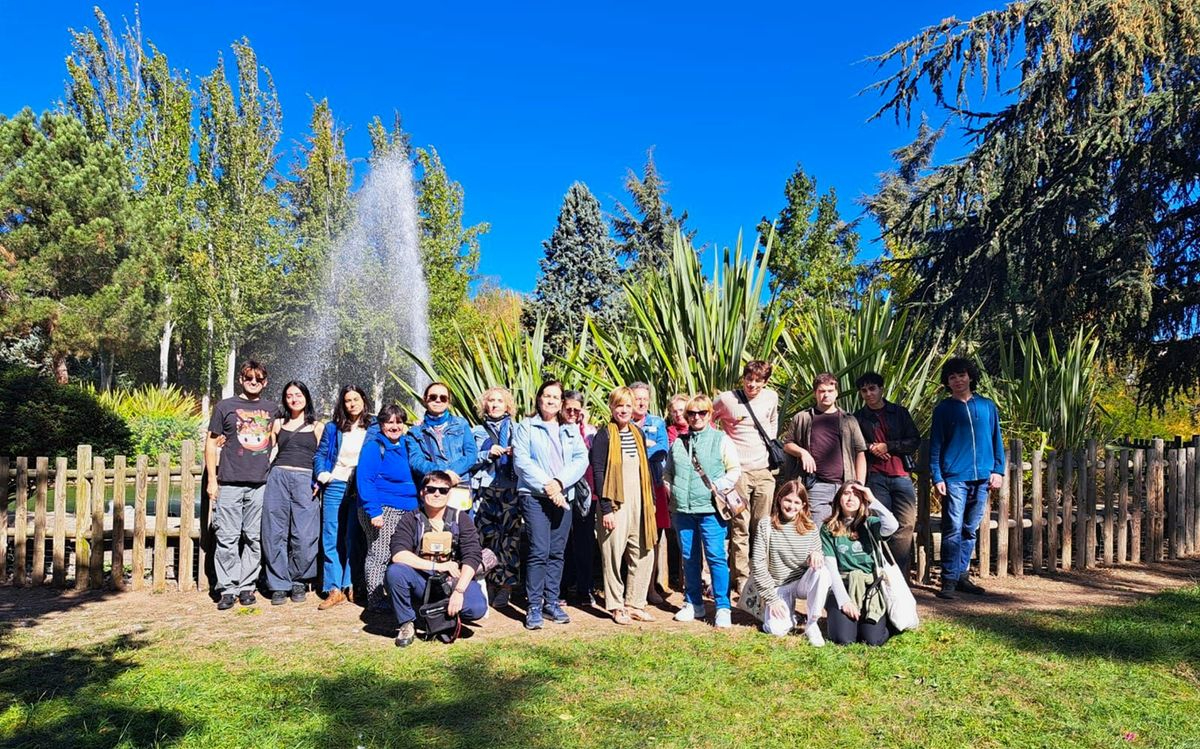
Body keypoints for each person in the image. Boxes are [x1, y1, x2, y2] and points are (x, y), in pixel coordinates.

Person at [512, 379, 589, 630]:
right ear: (539, 398)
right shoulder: (526, 427)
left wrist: (559, 482)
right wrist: (548, 485)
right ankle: (533, 605)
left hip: (563, 496)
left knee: (557, 551)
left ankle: (551, 601)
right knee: (538, 550)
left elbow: (581, 459)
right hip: (534, 497)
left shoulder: (569, 428)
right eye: (547, 395)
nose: (551, 400)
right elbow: (522, 461)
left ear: (561, 402)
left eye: (556, 397)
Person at [929, 357, 1005, 600]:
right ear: (947, 383)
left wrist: (998, 470)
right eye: (952, 377)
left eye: (961, 375)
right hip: (955, 478)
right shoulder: (943, 410)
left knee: (970, 528)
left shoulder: (987, 406)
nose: (958, 380)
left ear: (970, 377)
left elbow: (996, 440)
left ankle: (962, 575)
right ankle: (948, 579)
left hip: (982, 477)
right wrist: (937, 475)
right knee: (953, 528)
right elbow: (936, 444)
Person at [384, 471, 488, 647]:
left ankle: (437, 615)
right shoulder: (411, 519)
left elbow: (473, 555)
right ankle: (407, 622)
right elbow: (399, 554)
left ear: (449, 494)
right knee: (395, 572)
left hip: (451, 581)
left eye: (443, 490)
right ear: (422, 492)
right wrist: (437, 565)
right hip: (421, 580)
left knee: (477, 608)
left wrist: (459, 591)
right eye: (431, 489)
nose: (437, 494)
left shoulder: (461, 518)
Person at [206, 360, 278, 610]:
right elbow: (211, 443)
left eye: (258, 379)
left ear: (265, 382)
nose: (254, 382)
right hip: (230, 482)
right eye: (249, 378)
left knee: (254, 538)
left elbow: (279, 438)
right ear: (241, 379)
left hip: (260, 484)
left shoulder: (271, 409)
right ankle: (227, 588)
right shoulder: (225, 407)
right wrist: (212, 481)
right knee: (227, 537)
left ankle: (247, 586)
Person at [665, 394, 741, 628]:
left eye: (702, 413)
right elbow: (668, 472)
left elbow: (734, 469)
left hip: (710, 509)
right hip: (683, 510)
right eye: (691, 413)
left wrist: (717, 487)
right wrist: (671, 489)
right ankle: (693, 603)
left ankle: (722, 606)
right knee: (689, 557)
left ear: (710, 415)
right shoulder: (678, 442)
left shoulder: (721, 439)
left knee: (716, 557)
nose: (696, 417)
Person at [590, 387, 658, 625]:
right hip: (616, 504)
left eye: (628, 406)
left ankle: (635, 602)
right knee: (612, 555)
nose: (624, 410)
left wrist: (651, 504)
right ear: (611, 407)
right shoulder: (604, 435)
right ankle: (617, 605)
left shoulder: (637, 433)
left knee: (643, 552)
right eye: (620, 405)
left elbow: (645, 469)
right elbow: (599, 472)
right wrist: (606, 508)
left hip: (640, 502)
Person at [713, 360, 781, 594]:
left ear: (765, 382)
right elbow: (708, 418)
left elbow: (772, 420)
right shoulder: (727, 399)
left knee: (762, 526)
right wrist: (721, 448)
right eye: (748, 379)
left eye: (757, 381)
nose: (752, 385)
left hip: (763, 470)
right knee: (740, 525)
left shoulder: (771, 397)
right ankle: (741, 577)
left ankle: (761, 574)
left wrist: (770, 440)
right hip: (737, 472)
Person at [854, 372, 922, 579]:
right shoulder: (858, 417)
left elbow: (914, 440)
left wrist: (889, 446)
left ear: (882, 389)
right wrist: (870, 447)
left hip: (900, 474)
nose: (868, 394)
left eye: (872, 389)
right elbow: (853, 443)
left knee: (907, 523)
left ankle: (898, 575)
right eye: (864, 390)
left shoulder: (899, 413)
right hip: (875, 476)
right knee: (878, 523)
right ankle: (879, 572)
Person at [261, 380, 324, 605]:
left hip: (306, 479)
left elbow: (322, 456)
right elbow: (269, 451)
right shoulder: (277, 423)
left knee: (305, 533)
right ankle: (278, 583)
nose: (294, 399)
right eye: (289, 396)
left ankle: (299, 579)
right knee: (274, 530)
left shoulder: (317, 426)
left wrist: (319, 478)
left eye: (298, 395)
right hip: (278, 476)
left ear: (306, 397)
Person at [314, 385, 375, 610]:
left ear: (363, 401)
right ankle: (333, 588)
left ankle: (351, 584)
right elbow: (321, 454)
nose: (352, 404)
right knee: (331, 535)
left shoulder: (373, 427)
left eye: (356, 399)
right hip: (336, 483)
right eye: (348, 400)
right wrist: (323, 474)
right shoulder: (333, 428)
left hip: (360, 486)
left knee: (353, 536)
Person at [747, 480, 831, 645]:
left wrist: (816, 554)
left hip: (801, 583)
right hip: (778, 585)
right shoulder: (766, 525)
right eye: (788, 500)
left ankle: (812, 623)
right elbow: (758, 564)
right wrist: (772, 599)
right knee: (776, 630)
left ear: (803, 505)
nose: (791, 506)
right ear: (780, 499)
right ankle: (790, 616)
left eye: (796, 502)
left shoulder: (811, 527)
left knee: (822, 572)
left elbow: (817, 556)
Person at [356, 404, 419, 611]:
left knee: (403, 552)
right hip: (384, 508)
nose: (394, 426)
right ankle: (375, 599)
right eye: (389, 422)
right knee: (380, 553)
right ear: (381, 424)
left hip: (409, 507)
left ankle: (399, 593)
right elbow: (365, 480)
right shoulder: (375, 447)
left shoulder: (406, 445)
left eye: (399, 421)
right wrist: (374, 511)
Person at [782, 373, 867, 526]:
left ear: (836, 393)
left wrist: (859, 485)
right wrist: (803, 452)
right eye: (821, 391)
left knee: (845, 530)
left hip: (846, 486)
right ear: (815, 393)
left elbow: (860, 451)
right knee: (817, 531)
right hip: (816, 486)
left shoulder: (849, 420)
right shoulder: (803, 418)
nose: (826, 395)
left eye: (830, 390)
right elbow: (787, 444)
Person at [821, 481, 899, 646]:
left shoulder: (870, 524)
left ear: (863, 500)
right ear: (839, 498)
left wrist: (872, 499)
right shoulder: (828, 528)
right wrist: (845, 602)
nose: (851, 498)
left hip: (871, 587)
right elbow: (831, 570)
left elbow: (892, 525)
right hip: (843, 585)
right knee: (844, 639)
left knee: (872, 640)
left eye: (857, 495)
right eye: (846, 493)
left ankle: (887, 624)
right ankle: (844, 619)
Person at [471, 386, 520, 608]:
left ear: (507, 405)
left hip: (511, 488)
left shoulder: (518, 430)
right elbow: (469, 459)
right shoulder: (476, 432)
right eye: (491, 400)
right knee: (486, 537)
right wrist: (486, 454)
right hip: (485, 489)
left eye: (500, 401)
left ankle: (506, 586)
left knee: (509, 539)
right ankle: (488, 581)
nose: (495, 404)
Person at [630, 381, 671, 605]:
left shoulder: (657, 422)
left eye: (645, 398)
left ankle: (650, 588)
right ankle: (632, 589)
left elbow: (661, 449)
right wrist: (644, 446)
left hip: (654, 485)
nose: (642, 402)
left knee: (653, 538)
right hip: (630, 487)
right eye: (638, 398)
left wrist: (638, 449)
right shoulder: (621, 422)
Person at [560, 389, 599, 607]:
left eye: (577, 409)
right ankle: (563, 587)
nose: (573, 413)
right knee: (563, 541)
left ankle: (585, 588)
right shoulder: (556, 429)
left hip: (586, 494)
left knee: (584, 541)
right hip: (563, 492)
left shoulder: (590, 433)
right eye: (569, 409)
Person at [406, 382, 476, 488]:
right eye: (433, 397)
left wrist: (451, 473)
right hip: (433, 486)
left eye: (443, 398)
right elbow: (416, 462)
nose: (438, 400)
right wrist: (444, 472)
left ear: (448, 402)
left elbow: (471, 455)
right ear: (425, 399)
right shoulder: (415, 432)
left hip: (459, 483)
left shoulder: (461, 424)